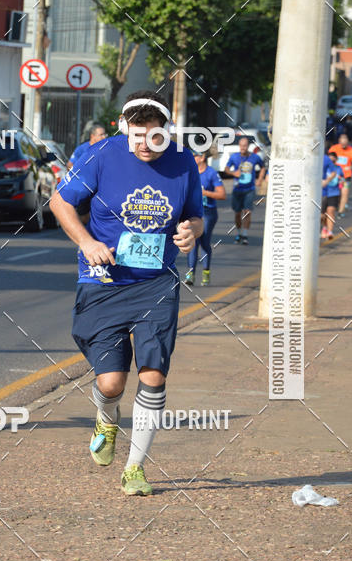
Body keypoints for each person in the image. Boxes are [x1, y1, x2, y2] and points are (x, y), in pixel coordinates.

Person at [50, 91, 203, 497]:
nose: (144, 145)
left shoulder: (183, 160)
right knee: (112, 383)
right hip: (103, 281)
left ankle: (135, 468)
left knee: (153, 373)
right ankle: (106, 417)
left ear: (165, 132)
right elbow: (60, 203)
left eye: (154, 137)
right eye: (137, 135)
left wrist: (191, 232)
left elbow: (195, 215)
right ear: (123, 126)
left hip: (156, 282)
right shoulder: (100, 155)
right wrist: (85, 242)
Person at [184, 152, 225, 286]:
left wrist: (205, 193)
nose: (193, 158)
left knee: (204, 241)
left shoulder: (211, 173)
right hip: (193, 212)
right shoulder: (190, 172)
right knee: (193, 240)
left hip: (208, 212)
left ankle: (206, 272)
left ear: (202, 158)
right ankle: (190, 274)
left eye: (195, 156)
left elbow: (222, 194)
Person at [223, 136, 266, 244]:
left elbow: (263, 167)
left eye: (245, 146)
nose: (243, 148)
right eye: (241, 146)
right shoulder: (234, 157)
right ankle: (239, 233)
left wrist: (260, 179)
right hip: (237, 189)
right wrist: (233, 173)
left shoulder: (254, 157)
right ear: (239, 146)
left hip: (249, 189)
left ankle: (245, 235)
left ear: (248, 146)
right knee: (237, 213)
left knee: (247, 212)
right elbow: (226, 169)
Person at [328, 133, 352, 217]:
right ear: (339, 141)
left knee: (344, 192)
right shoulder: (334, 148)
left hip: (346, 176)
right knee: (336, 193)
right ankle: (336, 205)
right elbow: (328, 160)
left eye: (345, 142)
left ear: (348, 141)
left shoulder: (351, 150)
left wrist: (350, 167)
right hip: (335, 176)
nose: (344, 143)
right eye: (342, 141)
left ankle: (341, 212)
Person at [321, 151, 343, 239]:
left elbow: (342, 180)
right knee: (322, 215)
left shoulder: (338, 169)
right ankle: (324, 227)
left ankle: (330, 231)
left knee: (330, 211)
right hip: (323, 192)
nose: (331, 163)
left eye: (333, 161)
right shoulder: (322, 167)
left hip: (334, 193)